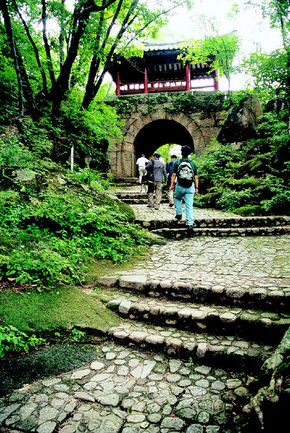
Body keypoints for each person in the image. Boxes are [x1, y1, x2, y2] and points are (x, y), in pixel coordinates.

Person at [169, 145, 199, 232]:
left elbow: (174, 175)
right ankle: (190, 223)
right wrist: (196, 187)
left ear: (181, 152)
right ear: (189, 154)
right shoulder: (193, 163)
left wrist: (171, 185)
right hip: (190, 186)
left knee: (177, 198)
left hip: (180, 185)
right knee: (189, 205)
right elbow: (196, 177)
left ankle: (179, 214)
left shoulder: (177, 162)